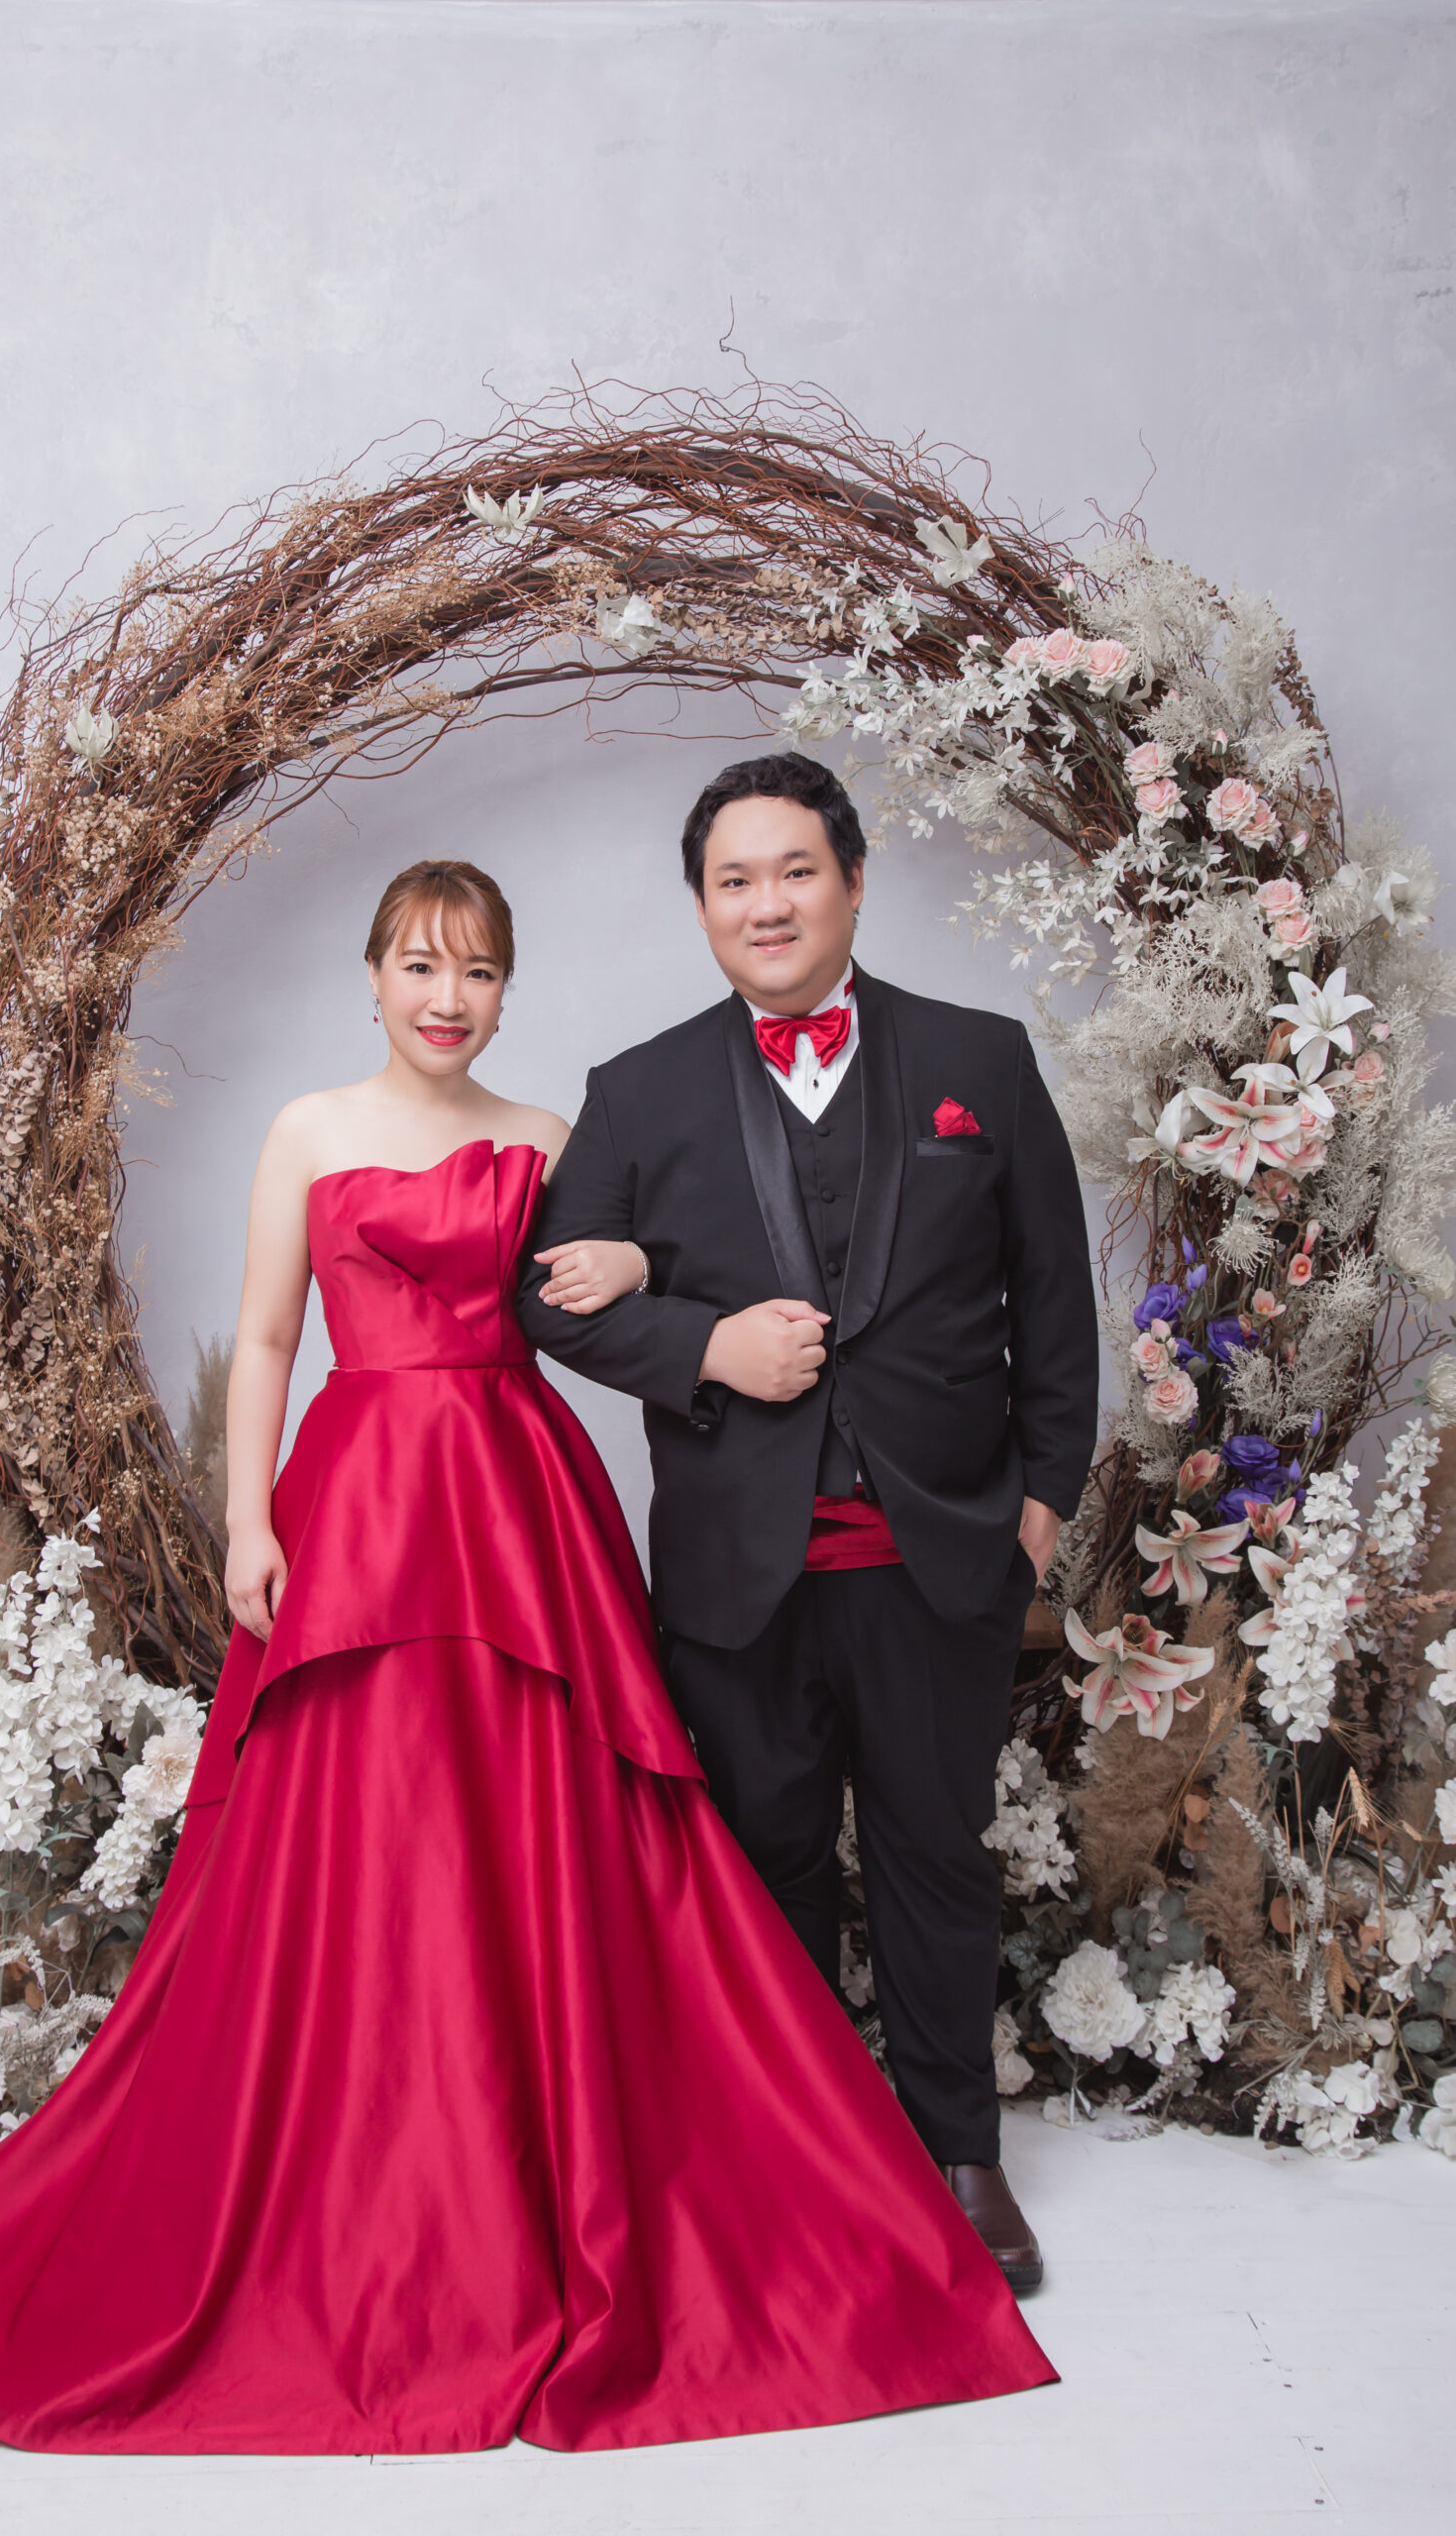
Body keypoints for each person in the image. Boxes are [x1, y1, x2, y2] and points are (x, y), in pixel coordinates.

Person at [0, 856, 1054, 2453]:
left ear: (506, 990)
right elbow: (266, 1336)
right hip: (364, 1506)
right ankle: (384, 2141)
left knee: (550, 1829)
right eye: (423, 967)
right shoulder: (309, 1130)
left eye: (480, 972)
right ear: (373, 976)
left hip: (518, 1504)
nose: (451, 1000)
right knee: (369, 1827)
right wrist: (248, 1522)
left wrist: (640, 1267)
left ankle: (600, 2130)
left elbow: (655, 1279)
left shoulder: (553, 1139)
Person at [518, 757, 1099, 2289]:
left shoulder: (980, 1059)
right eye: (734, 881)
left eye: (794, 871)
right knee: (766, 1861)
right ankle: (799, 2156)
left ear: (850, 881)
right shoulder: (640, 1090)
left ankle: (959, 2154)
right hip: (740, 1567)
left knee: (935, 1856)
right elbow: (549, 1294)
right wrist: (704, 1343)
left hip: (941, 1556)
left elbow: (1055, 1302)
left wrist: (1040, 1508)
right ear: (703, 907)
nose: (765, 903)